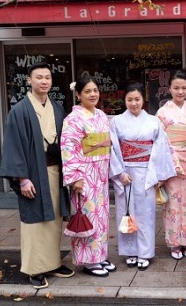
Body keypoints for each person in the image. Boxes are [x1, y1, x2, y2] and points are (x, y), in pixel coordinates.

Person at [0, 62, 74, 289]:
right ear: (29, 81)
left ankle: (51, 263)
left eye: (47, 78)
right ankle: (34, 268)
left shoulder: (58, 108)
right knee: (34, 221)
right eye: (39, 77)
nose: (44, 81)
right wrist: (22, 179)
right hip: (33, 173)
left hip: (54, 172)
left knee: (54, 220)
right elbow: (13, 146)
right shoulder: (19, 111)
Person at [109, 83, 177, 271]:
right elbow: (112, 148)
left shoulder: (153, 121)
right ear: (125, 101)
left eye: (137, 99)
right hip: (126, 172)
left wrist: (158, 174)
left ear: (143, 100)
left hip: (147, 171)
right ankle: (130, 251)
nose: (133, 103)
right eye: (129, 100)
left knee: (146, 214)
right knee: (126, 211)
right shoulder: (116, 122)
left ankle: (145, 253)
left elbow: (160, 147)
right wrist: (119, 173)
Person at [60, 76, 119, 277]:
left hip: (100, 173)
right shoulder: (73, 119)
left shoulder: (102, 115)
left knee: (101, 216)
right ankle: (88, 260)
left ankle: (100, 255)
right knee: (87, 215)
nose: (93, 94)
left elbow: (107, 142)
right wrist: (75, 176)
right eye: (87, 91)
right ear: (78, 94)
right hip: (84, 174)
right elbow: (69, 148)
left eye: (95, 90)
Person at [156, 71, 186, 260]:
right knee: (173, 203)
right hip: (171, 162)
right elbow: (160, 141)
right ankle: (174, 243)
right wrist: (171, 160)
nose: (180, 91)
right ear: (169, 89)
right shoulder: (163, 112)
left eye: (183, 88)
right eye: (176, 88)